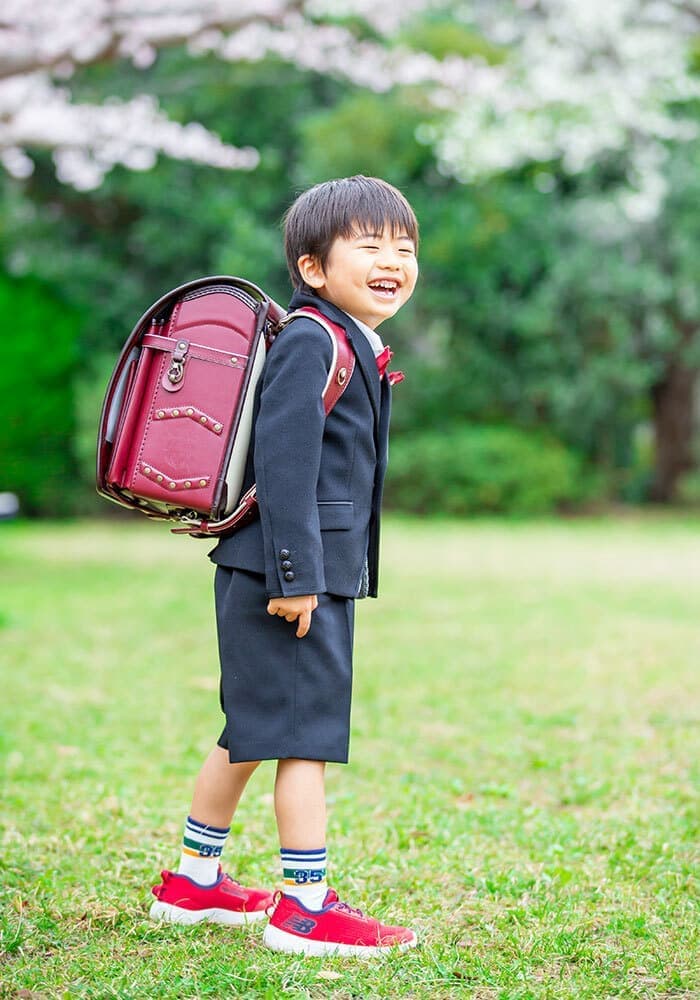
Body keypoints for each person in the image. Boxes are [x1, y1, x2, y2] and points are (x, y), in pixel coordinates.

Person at [149, 175, 420, 957]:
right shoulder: (314, 337)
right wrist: (296, 577)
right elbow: (287, 460)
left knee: (253, 728)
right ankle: (304, 907)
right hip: (290, 577)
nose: (392, 262)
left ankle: (194, 884)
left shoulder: (343, 339)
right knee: (304, 735)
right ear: (312, 267)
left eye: (404, 249)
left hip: (277, 569)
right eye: (369, 246)